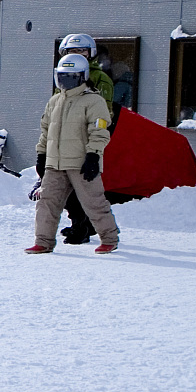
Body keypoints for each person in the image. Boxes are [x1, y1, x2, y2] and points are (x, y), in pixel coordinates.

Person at [27, 53, 119, 255]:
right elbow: (45, 130)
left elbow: (100, 130)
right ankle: (43, 241)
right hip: (55, 163)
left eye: (71, 77)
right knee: (47, 203)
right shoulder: (54, 101)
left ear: (82, 76)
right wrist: (42, 155)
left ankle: (109, 238)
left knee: (93, 202)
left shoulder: (93, 101)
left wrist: (93, 155)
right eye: (62, 77)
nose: (66, 81)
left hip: (81, 162)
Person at [56, 33, 113, 244]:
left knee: (85, 185)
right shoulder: (63, 77)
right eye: (72, 51)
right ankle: (79, 223)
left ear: (91, 54)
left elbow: (103, 115)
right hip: (65, 139)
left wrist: (94, 147)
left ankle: (84, 227)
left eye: (82, 51)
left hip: (87, 139)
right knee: (66, 185)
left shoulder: (100, 79)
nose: (77, 55)